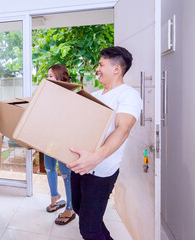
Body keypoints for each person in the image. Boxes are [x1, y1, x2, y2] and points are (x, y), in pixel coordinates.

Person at [67, 46, 142, 239]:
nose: (97, 69)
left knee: (88, 229)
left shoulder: (128, 95)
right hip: (80, 164)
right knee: (79, 208)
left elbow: (123, 129)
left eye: (101, 65)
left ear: (116, 69)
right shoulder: (96, 96)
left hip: (101, 171)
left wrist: (96, 157)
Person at [44, 64, 76, 225]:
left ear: (60, 77)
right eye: (47, 75)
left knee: (65, 172)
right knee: (49, 166)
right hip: (51, 138)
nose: (47, 78)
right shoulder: (47, 95)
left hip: (65, 139)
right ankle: (54, 197)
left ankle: (70, 207)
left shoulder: (71, 95)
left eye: (50, 76)